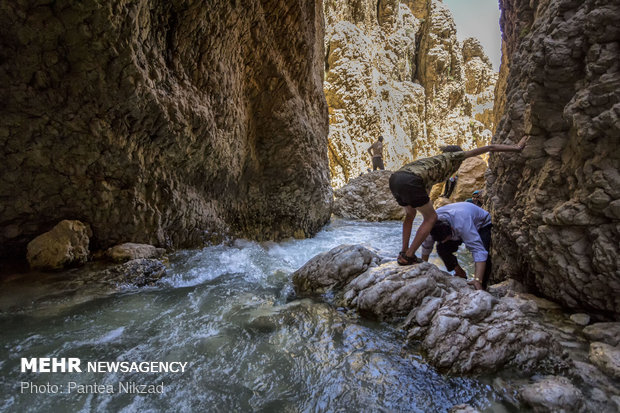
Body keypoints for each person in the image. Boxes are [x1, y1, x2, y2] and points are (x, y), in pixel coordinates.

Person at [388, 137, 528, 266]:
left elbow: (425, 189)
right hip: (411, 181)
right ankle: (409, 255)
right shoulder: (454, 156)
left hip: (395, 179)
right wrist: (516, 147)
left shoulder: (432, 162)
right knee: (431, 218)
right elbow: (489, 147)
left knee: (410, 215)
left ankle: (403, 252)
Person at [420, 202, 492, 290]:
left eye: (448, 238)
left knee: (485, 256)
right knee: (441, 249)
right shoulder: (430, 225)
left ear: (452, 229)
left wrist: (477, 280)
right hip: (456, 219)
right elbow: (426, 248)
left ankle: (481, 286)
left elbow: (479, 251)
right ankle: (460, 272)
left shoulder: (463, 225)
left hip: (481, 223)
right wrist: (423, 268)